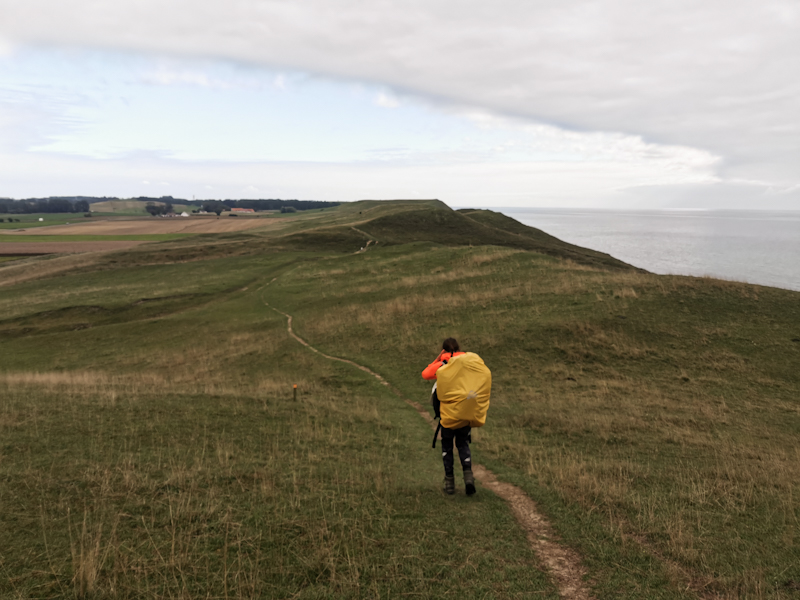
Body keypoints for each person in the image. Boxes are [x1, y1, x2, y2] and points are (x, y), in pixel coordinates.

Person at [422, 337, 476, 496]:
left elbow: (426, 374)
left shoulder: (442, 364)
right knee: (463, 444)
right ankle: (468, 478)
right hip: (464, 412)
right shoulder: (467, 362)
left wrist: (438, 359)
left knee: (447, 446)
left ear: (444, 350)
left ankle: (450, 482)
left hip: (447, 415)